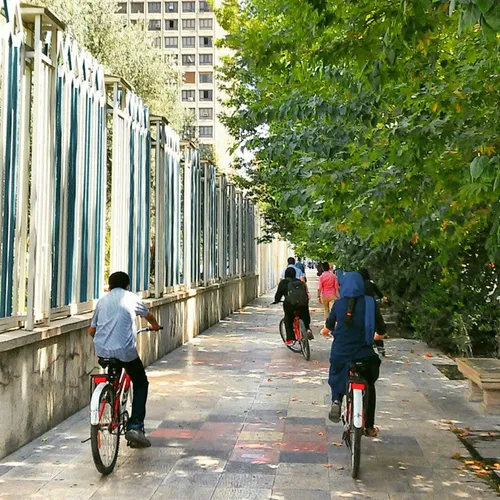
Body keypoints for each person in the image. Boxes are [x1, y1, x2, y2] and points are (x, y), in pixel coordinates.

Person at [88, 271, 161, 448]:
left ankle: (109, 399)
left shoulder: (102, 301)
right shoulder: (131, 298)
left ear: (109, 286)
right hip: (125, 351)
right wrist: (155, 326)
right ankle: (135, 426)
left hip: (103, 351)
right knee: (141, 382)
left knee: (114, 372)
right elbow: (148, 315)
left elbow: (91, 330)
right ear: (127, 285)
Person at [321, 272, 386, 437]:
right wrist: (374, 337)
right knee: (369, 385)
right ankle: (369, 427)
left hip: (340, 352)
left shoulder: (338, 304)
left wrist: (325, 331)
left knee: (336, 371)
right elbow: (381, 332)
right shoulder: (370, 303)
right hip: (364, 355)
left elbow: (328, 327)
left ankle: (336, 400)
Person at [274, 267, 312, 343]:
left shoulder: (283, 283)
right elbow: (305, 294)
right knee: (304, 314)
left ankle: (290, 338)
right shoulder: (300, 282)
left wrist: (276, 300)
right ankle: (307, 329)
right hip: (302, 304)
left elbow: (278, 294)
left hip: (290, 305)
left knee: (288, 319)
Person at [359, 268, 388, 357]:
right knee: (376, 325)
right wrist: (383, 298)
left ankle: (364, 347)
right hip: (372, 305)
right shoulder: (371, 283)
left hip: (361, 306)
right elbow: (380, 294)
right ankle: (380, 347)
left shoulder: (358, 284)